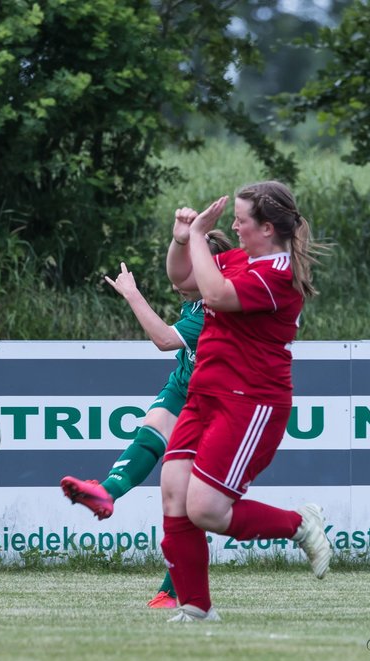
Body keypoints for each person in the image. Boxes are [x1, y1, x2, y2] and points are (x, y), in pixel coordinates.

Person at [157, 180, 331, 623]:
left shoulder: (277, 276)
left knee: (207, 509)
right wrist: (182, 240)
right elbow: (183, 279)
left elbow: (215, 295)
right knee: (175, 495)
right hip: (206, 395)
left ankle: (298, 524)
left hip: (250, 402)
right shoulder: (241, 259)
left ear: (268, 228)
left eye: (241, 219)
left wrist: (198, 236)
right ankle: (197, 608)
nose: (232, 226)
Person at [61, 229, 233, 610]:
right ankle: (106, 491)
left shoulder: (213, 309)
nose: (177, 281)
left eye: (190, 269)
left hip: (214, 403)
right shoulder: (195, 295)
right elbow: (177, 266)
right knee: (149, 432)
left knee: (189, 503)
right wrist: (182, 234)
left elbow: (164, 340)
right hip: (183, 387)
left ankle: (173, 591)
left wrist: (132, 294)